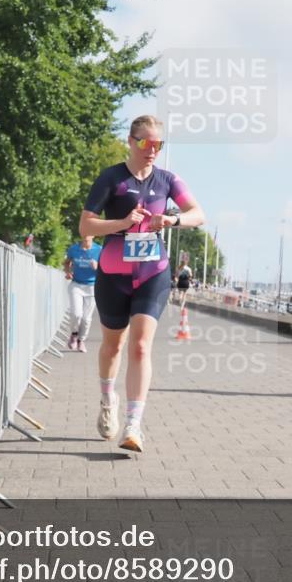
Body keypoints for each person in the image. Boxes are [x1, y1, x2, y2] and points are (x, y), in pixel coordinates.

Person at [79, 115, 204, 452]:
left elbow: (198, 213)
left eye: (158, 145)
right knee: (114, 346)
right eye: (145, 143)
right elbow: (86, 227)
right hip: (113, 275)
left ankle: (134, 425)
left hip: (152, 273)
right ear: (130, 141)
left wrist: (173, 219)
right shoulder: (111, 178)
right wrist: (121, 222)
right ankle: (108, 400)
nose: (152, 151)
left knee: (140, 346)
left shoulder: (167, 180)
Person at [63, 234, 102, 352]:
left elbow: (107, 268)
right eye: (84, 232)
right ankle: (74, 335)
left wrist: (98, 267)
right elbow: (66, 262)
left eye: (89, 233)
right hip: (76, 285)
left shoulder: (99, 250)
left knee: (86, 318)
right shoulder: (74, 249)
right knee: (76, 314)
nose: (86, 236)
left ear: (93, 235)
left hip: (92, 287)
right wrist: (68, 272)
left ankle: (81, 340)